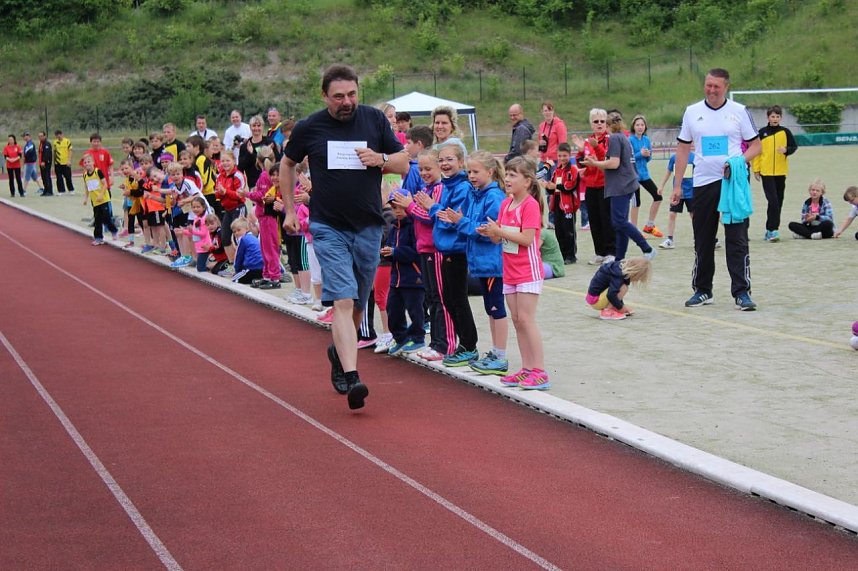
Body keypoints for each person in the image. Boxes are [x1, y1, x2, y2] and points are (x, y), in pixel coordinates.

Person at [279, 63, 408, 411]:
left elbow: (402, 163)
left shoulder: (374, 120)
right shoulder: (310, 126)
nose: (347, 101)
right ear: (325, 96)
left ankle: (339, 352)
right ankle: (352, 377)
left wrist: (380, 158)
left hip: (368, 226)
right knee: (343, 300)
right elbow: (287, 164)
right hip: (328, 226)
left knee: (357, 302)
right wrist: (290, 210)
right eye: (339, 96)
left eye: (352, 94)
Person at [671, 68, 761, 311]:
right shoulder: (692, 112)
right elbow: (682, 149)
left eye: (716, 87)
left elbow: (756, 146)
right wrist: (677, 185)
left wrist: (738, 161)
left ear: (726, 88)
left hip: (733, 184)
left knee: (737, 238)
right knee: (703, 239)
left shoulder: (739, 111)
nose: (711, 90)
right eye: (708, 85)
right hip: (702, 183)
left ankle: (742, 292)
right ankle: (703, 290)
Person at [477, 156, 548, 390]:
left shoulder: (530, 205)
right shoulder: (506, 204)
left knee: (526, 319)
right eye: (506, 174)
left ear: (527, 181)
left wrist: (499, 232)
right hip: (509, 271)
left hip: (527, 270)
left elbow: (527, 239)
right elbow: (498, 238)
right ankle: (526, 368)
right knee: (517, 320)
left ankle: (539, 370)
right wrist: (491, 232)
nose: (507, 179)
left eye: (512, 175)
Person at [437, 150, 509, 376]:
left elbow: (488, 231)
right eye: (469, 172)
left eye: (476, 172)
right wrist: (457, 220)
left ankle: (500, 356)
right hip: (481, 263)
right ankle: (495, 353)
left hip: (493, 263)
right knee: (490, 308)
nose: (471, 176)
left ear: (490, 171)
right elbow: (465, 220)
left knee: (496, 308)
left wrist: (460, 222)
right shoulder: (475, 194)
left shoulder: (493, 197)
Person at [415, 144, 479, 368]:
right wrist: (435, 209)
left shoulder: (461, 187)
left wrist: (432, 207)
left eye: (449, 159)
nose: (444, 164)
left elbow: (451, 219)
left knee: (456, 299)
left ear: (461, 162)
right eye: (441, 160)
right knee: (449, 299)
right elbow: (443, 216)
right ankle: (463, 345)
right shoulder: (449, 186)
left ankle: (467, 345)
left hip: (456, 250)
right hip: (446, 248)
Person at [393, 149, 455, 362]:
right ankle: (436, 342)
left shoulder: (439, 188)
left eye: (428, 168)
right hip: (424, 248)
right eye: (420, 169)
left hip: (435, 249)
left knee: (440, 297)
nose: (424, 173)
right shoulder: (425, 189)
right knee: (431, 297)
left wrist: (410, 206)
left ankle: (445, 343)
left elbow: (431, 216)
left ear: (438, 167)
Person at [580, 112, 656, 262]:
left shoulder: (614, 138)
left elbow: (614, 164)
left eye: (604, 123)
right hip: (626, 183)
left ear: (608, 125)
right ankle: (619, 257)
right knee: (619, 223)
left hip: (620, 185)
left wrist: (594, 163)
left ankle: (647, 248)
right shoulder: (623, 137)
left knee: (619, 222)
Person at [381, 193, 426, 355]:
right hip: (396, 278)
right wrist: (386, 252)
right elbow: (391, 247)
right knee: (392, 310)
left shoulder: (414, 226)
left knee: (415, 310)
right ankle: (401, 338)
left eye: (401, 207)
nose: (397, 211)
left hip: (413, 277)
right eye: (394, 208)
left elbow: (416, 251)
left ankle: (418, 338)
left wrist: (395, 252)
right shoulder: (394, 228)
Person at [572, 109, 614, 265]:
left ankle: (611, 252)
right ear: (591, 124)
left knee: (606, 219)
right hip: (590, 185)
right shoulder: (588, 141)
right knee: (594, 221)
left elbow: (606, 161)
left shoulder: (610, 140)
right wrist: (580, 153)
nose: (599, 124)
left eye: (602, 121)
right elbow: (582, 164)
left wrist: (596, 147)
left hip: (605, 185)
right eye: (596, 121)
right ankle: (600, 252)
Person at [752, 105, 798, 242]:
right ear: (768, 117)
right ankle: (773, 230)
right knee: (773, 201)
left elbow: (794, 146)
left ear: (781, 118)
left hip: (780, 171)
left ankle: (770, 230)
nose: (775, 119)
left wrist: (786, 150)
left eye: (777, 116)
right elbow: (757, 152)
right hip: (766, 172)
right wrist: (756, 169)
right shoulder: (762, 133)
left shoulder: (785, 132)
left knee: (779, 201)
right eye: (773, 116)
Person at [628, 115, 664, 237]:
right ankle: (634, 230)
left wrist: (648, 155)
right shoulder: (630, 140)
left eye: (642, 125)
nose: (640, 127)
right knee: (636, 202)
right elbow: (628, 158)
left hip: (644, 175)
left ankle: (650, 225)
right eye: (637, 125)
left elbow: (648, 158)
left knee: (658, 197)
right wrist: (640, 154)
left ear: (645, 127)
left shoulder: (646, 140)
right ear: (633, 126)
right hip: (633, 176)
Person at [586, 257, 652, 320]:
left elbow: (615, 290)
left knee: (620, 287)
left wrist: (621, 305)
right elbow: (611, 295)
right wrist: (621, 307)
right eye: (639, 277)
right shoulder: (618, 275)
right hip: (596, 301)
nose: (638, 280)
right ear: (635, 273)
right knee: (624, 287)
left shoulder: (618, 268)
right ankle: (607, 311)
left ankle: (613, 308)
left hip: (593, 298)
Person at [657, 144, 697, 249]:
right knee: (672, 214)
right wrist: (661, 186)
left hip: (691, 192)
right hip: (677, 192)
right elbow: (668, 172)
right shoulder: (674, 158)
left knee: (694, 215)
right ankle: (669, 239)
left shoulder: (694, 157)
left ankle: (698, 238)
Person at [545, 142, 579, 264]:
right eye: (560, 156)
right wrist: (548, 186)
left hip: (568, 205)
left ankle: (571, 255)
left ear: (570, 155)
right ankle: (562, 254)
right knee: (559, 230)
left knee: (569, 231)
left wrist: (556, 186)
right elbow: (552, 189)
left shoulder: (573, 170)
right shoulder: (557, 170)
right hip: (557, 204)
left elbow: (570, 186)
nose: (562, 158)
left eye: (564, 155)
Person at [215, 151, 247, 265]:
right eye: (223, 161)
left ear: (234, 161)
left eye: (228, 160)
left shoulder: (238, 175)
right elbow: (217, 194)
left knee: (238, 236)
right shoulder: (220, 176)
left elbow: (240, 194)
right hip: (227, 209)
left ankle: (243, 262)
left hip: (238, 207)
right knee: (225, 237)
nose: (225, 163)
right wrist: (220, 193)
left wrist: (225, 192)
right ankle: (232, 263)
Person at [81, 154, 118, 245]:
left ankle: (114, 230)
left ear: (93, 162)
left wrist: (101, 194)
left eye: (89, 162)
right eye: (85, 162)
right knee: (97, 220)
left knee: (106, 218)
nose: (87, 164)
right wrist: (86, 198)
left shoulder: (98, 172)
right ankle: (98, 238)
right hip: (95, 201)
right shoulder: (85, 175)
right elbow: (87, 188)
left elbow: (105, 184)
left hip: (104, 199)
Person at [230, 217, 264, 284]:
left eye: (239, 230)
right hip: (262, 268)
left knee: (234, 279)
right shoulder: (254, 238)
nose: (236, 233)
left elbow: (239, 257)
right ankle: (257, 279)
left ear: (247, 229)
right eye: (234, 232)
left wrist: (237, 271)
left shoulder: (243, 240)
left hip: (251, 268)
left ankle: (254, 280)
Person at [53, 130, 74, 194]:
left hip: (66, 162)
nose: (58, 136)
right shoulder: (55, 142)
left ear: (62, 134)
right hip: (58, 163)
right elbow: (54, 152)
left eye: (59, 134)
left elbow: (70, 151)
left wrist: (69, 160)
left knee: (68, 177)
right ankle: (61, 190)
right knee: (59, 177)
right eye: (57, 135)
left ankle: (71, 189)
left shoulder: (67, 141)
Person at [37, 132, 54, 196]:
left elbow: (47, 153)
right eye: (39, 136)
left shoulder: (47, 144)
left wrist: (44, 161)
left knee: (47, 176)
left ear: (45, 136)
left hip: (46, 163)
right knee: (43, 177)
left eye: (41, 136)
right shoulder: (41, 144)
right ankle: (46, 190)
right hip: (41, 163)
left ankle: (49, 191)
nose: (40, 137)